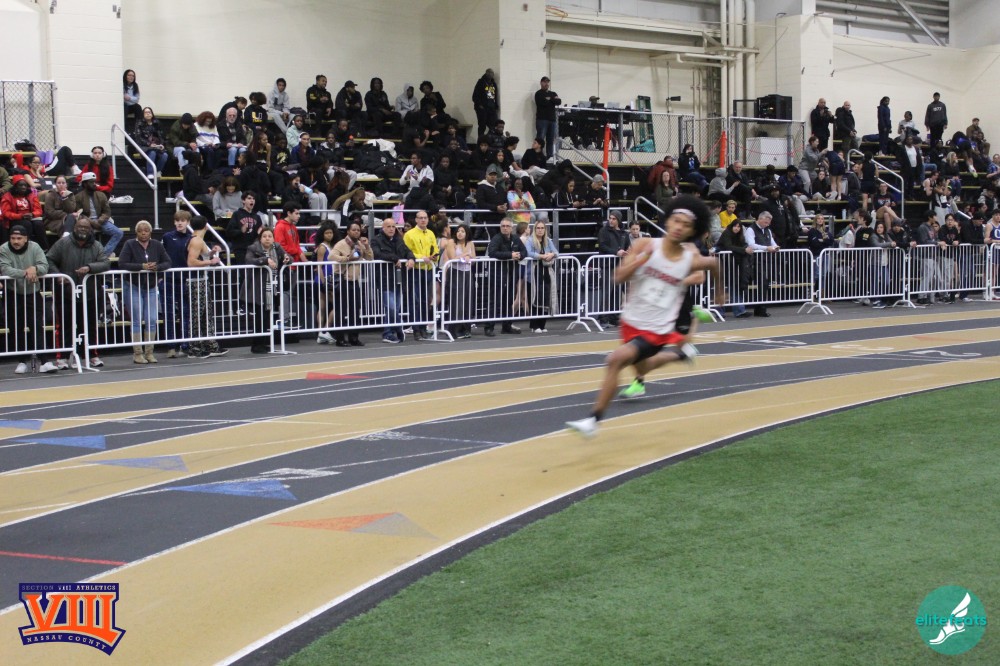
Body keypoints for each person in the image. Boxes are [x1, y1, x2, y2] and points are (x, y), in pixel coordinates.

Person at [566, 196, 722, 437]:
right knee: (644, 367)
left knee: (615, 360)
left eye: (686, 225)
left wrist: (720, 292)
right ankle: (679, 354)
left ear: (693, 231)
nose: (679, 227)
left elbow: (713, 264)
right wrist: (642, 260)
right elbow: (619, 277)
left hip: (657, 329)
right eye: (676, 221)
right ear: (667, 221)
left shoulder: (689, 257)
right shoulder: (645, 245)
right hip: (630, 323)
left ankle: (592, 421)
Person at [46, 216, 111, 369]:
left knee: (90, 325)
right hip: (66, 292)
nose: (82, 229)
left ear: (91, 230)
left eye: (86, 227)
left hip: (90, 293)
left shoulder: (96, 245)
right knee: (65, 325)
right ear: (74, 228)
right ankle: (62, 357)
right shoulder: (63, 243)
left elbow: (106, 263)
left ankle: (91, 355)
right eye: (80, 226)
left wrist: (90, 267)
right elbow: (49, 260)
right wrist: (59, 276)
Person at [0, 224, 57, 374]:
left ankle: (44, 361)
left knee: (37, 326)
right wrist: (27, 272)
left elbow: (44, 266)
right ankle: (21, 361)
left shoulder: (35, 247)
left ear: (26, 239)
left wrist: (35, 269)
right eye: (13, 238)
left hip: (33, 292)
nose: (15, 241)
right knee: (16, 328)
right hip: (13, 293)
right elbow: (5, 269)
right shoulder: (3, 249)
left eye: (19, 238)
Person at [118, 220, 170, 364]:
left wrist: (157, 267)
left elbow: (168, 262)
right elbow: (122, 263)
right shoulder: (129, 244)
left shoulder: (157, 245)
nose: (143, 233)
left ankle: (149, 352)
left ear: (150, 232)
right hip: (133, 286)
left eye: (146, 230)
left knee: (152, 319)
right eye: (140, 231)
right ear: (136, 232)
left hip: (151, 287)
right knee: (136, 319)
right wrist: (142, 266)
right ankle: (137, 353)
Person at [185, 215, 228, 358]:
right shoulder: (196, 240)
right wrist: (211, 262)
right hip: (196, 281)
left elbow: (201, 257)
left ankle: (208, 344)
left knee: (205, 314)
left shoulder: (197, 240)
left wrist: (211, 253)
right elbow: (191, 262)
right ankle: (195, 346)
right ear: (206, 226)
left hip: (201, 280)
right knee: (197, 315)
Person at [244, 228, 289, 354]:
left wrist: (287, 259)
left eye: (270, 236)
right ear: (260, 238)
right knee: (260, 317)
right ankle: (256, 344)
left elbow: (289, 257)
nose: (267, 238)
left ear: (273, 238)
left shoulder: (277, 247)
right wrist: (265, 260)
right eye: (264, 236)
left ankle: (264, 342)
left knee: (267, 316)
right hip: (258, 287)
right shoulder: (253, 248)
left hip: (273, 287)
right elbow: (249, 260)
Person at [371, 218, 415, 344]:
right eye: (388, 226)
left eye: (393, 226)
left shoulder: (398, 239)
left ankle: (388, 332)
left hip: (399, 279)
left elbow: (407, 251)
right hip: (384, 278)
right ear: (383, 228)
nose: (391, 229)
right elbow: (377, 254)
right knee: (391, 307)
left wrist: (411, 258)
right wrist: (394, 258)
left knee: (396, 307)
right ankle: (397, 328)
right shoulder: (376, 240)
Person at [330, 220, 372, 347]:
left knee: (355, 310)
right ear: (348, 231)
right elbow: (331, 257)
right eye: (353, 230)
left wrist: (367, 246)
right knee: (341, 310)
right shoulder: (341, 244)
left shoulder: (359, 244)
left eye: (358, 230)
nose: (356, 232)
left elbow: (370, 258)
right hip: (343, 280)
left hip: (354, 280)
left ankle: (354, 337)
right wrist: (347, 258)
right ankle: (340, 339)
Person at [484, 217, 527, 336]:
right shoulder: (496, 238)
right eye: (503, 226)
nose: (505, 228)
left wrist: (519, 256)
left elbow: (524, 252)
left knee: (508, 301)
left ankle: (507, 326)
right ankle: (489, 327)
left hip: (511, 274)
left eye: (507, 226)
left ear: (512, 228)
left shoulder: (515, 238)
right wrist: (510, 255)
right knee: (494, 301)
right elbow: (492, 253)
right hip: (497, 274)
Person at [162, 210, 193, 358]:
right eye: (177, 220)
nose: (180, 223)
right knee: (169, 314)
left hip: (185, 280)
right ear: (174, 222)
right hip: (169, 280)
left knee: (185, 313)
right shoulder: (167, 237)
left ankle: (185, 345)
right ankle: (171, 346)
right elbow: (161, 255)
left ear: (188, 222)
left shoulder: (191, 238)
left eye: (183, 220)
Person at [403, 210, 439, 340]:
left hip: (428, 269)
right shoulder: (409, 234)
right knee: (416, 300)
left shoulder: (430, 233)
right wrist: (421, 257)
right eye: (420, 218)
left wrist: (434, 256)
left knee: (425, 300)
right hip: (416, 269)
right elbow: (406, 251)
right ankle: (416, 328)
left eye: (425, 218)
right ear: (416, 220)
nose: (423, 220)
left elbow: (435, 248)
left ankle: (423, 327)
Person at [75, 172, 124, 257]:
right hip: (86, 222)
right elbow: (79, 213)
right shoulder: (78, 197)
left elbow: (107, 211)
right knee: (86, 234)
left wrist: (100, 220)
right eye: (91, 182)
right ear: (85, 183)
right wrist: (91, 222)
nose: (94, 184)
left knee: (118, 233)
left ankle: (103, 254)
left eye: (95, 182)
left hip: (101, 221)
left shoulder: (101, 195)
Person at [440, 222, 475, 339]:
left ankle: (466, 329)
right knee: (457, 302)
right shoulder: (451, 242)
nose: (460, 233)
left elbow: (474, 258)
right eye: (458, 231)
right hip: (456, 273)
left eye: (463, 231)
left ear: (467, 233)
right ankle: (454, 329)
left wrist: (469, 257)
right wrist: (465, 255)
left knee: (467, 301)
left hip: (467, 273)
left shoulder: (470, 243)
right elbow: (453, 258)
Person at [743, 210, 779, 317]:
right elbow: (751, 245)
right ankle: (758, 308)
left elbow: (772, 242)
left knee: (765, 284)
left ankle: (761, 308)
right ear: (760, 219)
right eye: (766, 222)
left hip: (766, 260)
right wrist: (767, 248)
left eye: (768, 223)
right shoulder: (750, 229)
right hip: (755, 261)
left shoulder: (767, 230)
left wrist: (776, 247)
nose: (767, 225)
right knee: (761, 283)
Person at [524, 219, 558, 332]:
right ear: (534, 229)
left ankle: (542, 325)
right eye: (538, 228)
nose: (540, 230)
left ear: (545, 229)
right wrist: (541, 256)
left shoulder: (548, 240)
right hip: (533, 273)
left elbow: (557, 252)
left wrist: (551, 254)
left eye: (542, 228)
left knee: (545, 297)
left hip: (546, 272)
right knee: (534, 297)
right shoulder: (530, 240)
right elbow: (528, 253)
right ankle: (534, 326)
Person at [716, 218, 752, 318]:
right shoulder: (726, 233)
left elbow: (743, 244)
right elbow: (728, 246)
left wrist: (746, 248)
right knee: (721, 287)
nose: (737, 228)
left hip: (732, 263)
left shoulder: (740, 236)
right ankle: (719, 311)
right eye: (735, 226)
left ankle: (739, 310)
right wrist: (744, 250)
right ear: (732, 226)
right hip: (722, 262)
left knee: (734, 286)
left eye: (739, 227)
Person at [1, 179, 45, 247]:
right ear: (15, 187)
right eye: (21, 185)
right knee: (27, 224)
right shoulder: (7, 196)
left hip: (30, 217)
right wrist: (20, 216)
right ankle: (26, 247)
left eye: (25, 185)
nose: (23, 187)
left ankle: (44, 247)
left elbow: (39, 210)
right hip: (14, 219)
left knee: (39, 224)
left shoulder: (31, 195)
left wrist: (32, 214)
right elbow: (6, 213)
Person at [133, 107, 169, 176]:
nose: (148, 114)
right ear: (143, 114)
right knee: (152, 153)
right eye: (146, 112)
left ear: (152, 114)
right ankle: (150, 173)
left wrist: (161, 144)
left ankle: (157, 171)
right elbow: (138, 138)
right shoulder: (139, 123)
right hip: (144, 146)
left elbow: (161, 136)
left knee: (165, 155)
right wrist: (149, 144)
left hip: (156, 146)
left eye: (149, 112)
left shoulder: (157, 123)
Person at [534, 77, 561, 160]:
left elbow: (559, 101)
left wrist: (549, 99)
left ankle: (549, 156)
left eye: (548, 82)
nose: (546, 84)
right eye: (545, 82)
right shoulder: (538, 93)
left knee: (550, 139)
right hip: (542, 119)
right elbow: (542, 103)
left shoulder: (553, 93)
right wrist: (552, 100)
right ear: (541, 83)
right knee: (540, 138)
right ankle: (538, 155)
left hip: (552, 120)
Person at [473, 68, 500, 139]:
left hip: (491, 107)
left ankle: (488, 139)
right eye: (489, 73)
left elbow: (495, 96)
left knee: (494, 125)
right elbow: (475, 96)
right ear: (486, 73)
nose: (490, 74)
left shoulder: (493, 84)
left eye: (492, 73)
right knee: (482, 126)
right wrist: (480, 105)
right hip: (482, 108)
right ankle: (481, 140)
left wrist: (496, 105)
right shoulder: (481, 82)